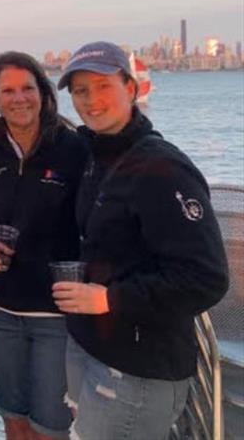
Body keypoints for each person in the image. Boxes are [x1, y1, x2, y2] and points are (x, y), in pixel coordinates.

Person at [53, 41, 229, 440]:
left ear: (131, 88)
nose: (91, 101)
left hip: (137, 368)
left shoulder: (162, 168)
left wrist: (108, 299)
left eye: (102, 86)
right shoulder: (98, 156)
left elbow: (205, 278)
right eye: (80, 91)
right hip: (93, 345)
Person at [0, 52, 88, 440]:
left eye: (27, 88)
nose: (19, 98)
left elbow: (99, 223)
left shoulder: (74, 149)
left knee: (52, 427)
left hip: (55, 313)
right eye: (8, 91)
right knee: (13, 420)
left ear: (43, 93)